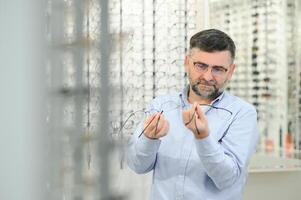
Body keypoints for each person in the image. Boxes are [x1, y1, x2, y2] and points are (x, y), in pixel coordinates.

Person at [127, 29, 259, 200]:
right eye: (201, 65)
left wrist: (203, 138)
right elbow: (138, 166)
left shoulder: (242, 113)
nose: (208, 76)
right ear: (187, 62)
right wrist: (149, 140)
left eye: (218, 69)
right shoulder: (161, 106)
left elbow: (227, 179)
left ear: (231, 71)